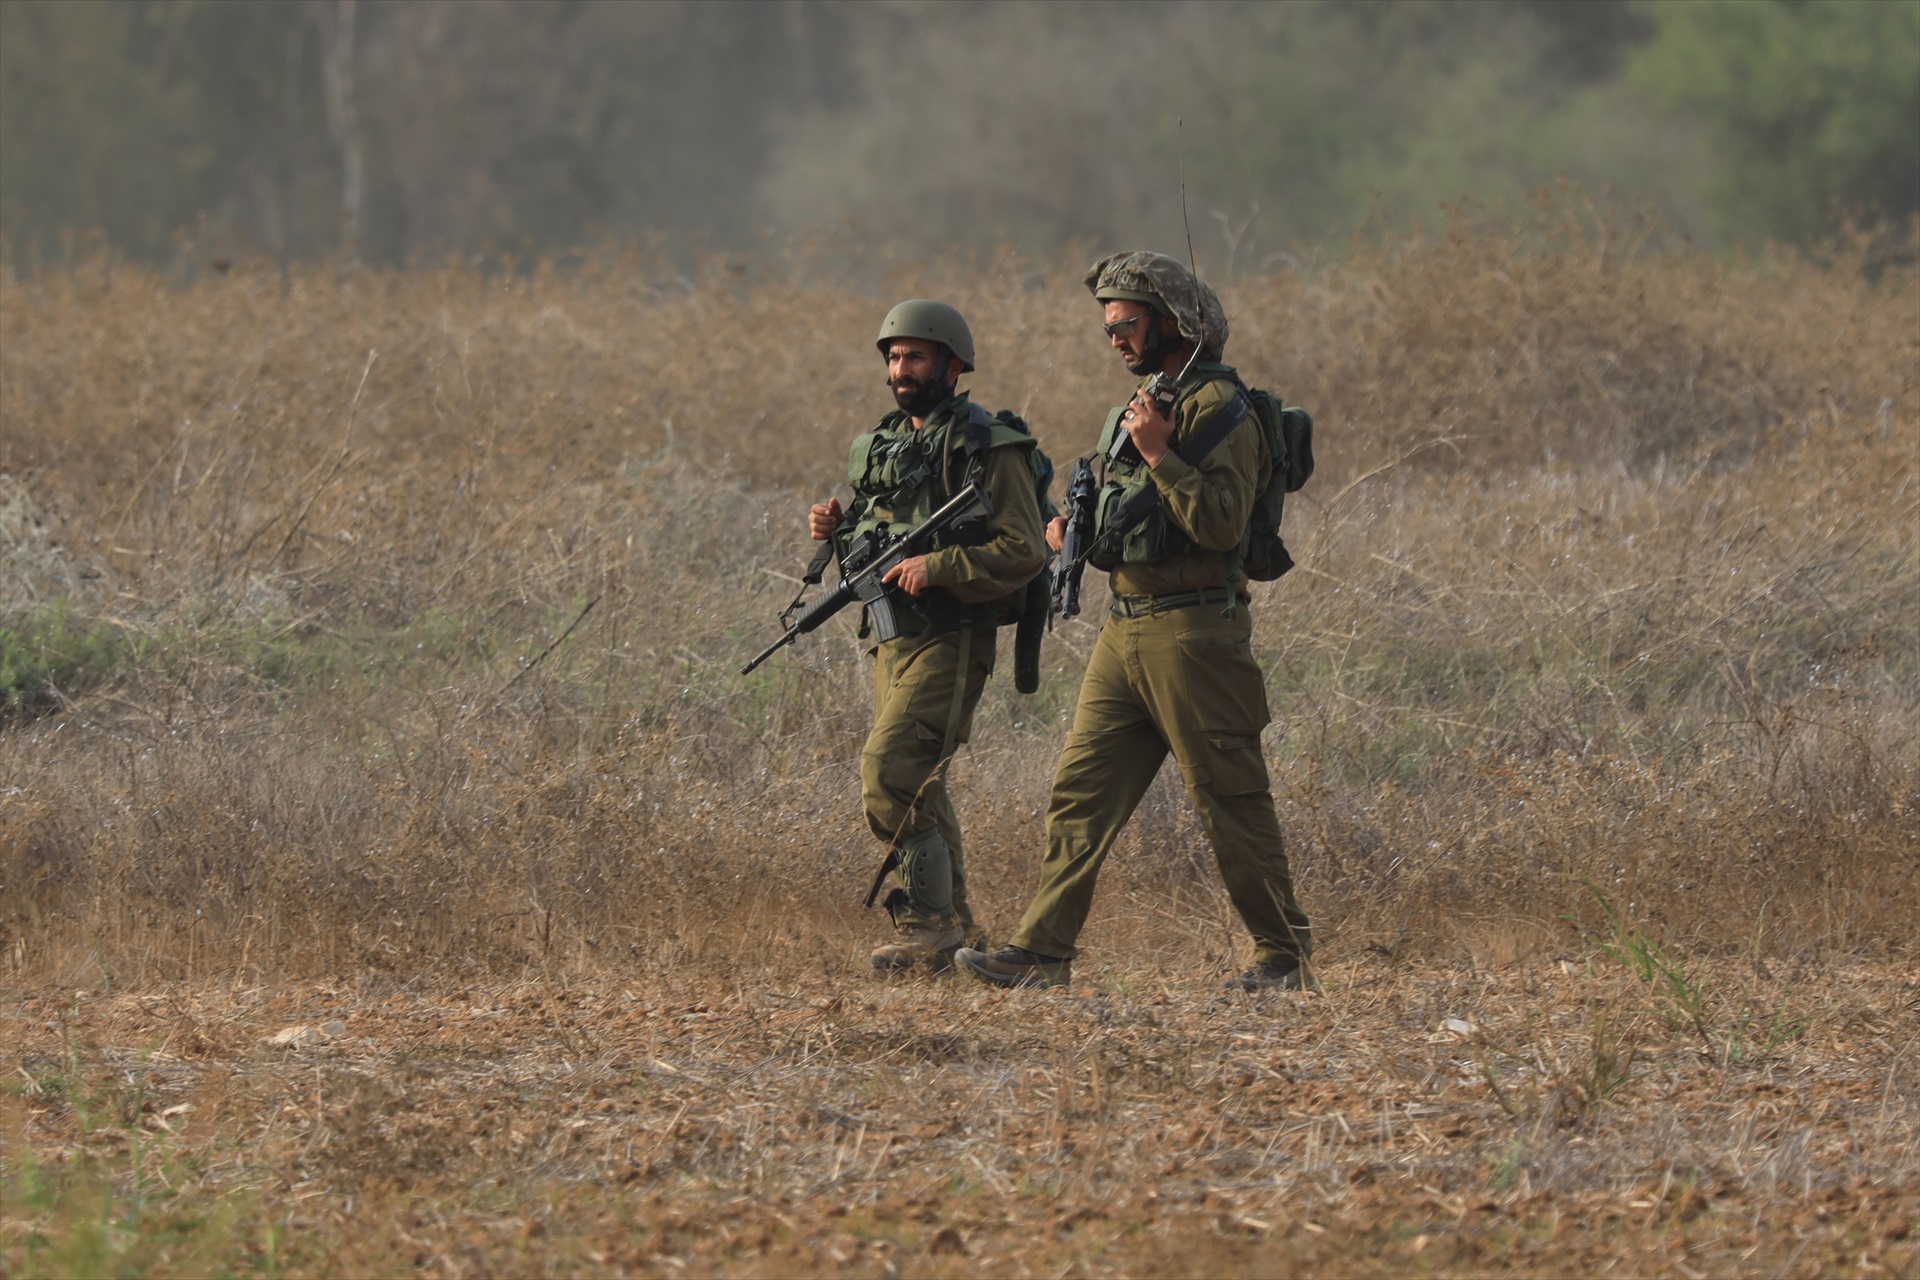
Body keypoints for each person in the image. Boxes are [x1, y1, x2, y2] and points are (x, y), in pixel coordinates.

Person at [955, 252, 1314, 992]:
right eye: (1107, 327)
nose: (1114, 338)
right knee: (1082, 793)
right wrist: (1067, 534)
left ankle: (1283, 956)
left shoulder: (1221, 409)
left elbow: (1218, 525)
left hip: (1194, 635)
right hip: (1126, 628)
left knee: (1229, 798)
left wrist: (1158, 453)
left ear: (1175, 323)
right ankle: (1041, 953)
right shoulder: (1145, 402)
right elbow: (1118, 511)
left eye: (1125, 323)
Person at [809, 300, 1046, 973]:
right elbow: (876, 532)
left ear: (952, 363)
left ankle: (928, 924)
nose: (899, 369)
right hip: (892, 640)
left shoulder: (988, 447)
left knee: (890, 771)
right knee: (922, 786)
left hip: (953, 635)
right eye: (892, 357)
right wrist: (837, 534)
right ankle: (956, 936)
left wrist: (936, 566)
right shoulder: (883, 446)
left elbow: (1024, 548)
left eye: (914, 356)